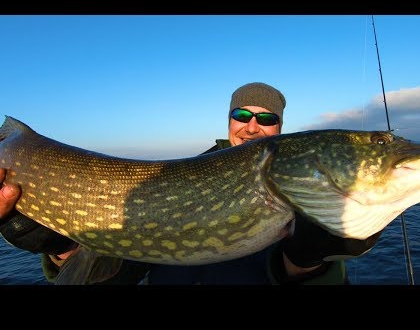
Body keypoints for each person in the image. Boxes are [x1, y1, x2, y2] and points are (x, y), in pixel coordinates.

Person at [0, 82, 381, 285]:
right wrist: (62, 247)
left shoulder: (299, 187)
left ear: (281, 129)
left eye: (267, 119)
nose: (252, 126)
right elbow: (116, 272)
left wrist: (309, 261)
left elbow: (305, 276)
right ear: (229, 119)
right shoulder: (181, 176)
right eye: (242, 113)